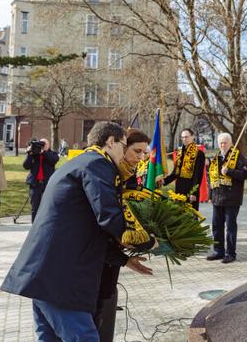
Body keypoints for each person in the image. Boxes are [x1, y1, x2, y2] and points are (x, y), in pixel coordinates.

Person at [1, 121, 152, 341]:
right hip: (62, 280)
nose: (123, 152)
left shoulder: (78, 163)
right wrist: (150, 242)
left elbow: (88, 228)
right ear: (110, 142)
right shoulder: (98, 164)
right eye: (122, 145)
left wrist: (125, 260)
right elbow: (108, 216)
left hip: (47, 277)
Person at [96, 128, 154, 342]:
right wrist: (148, 241)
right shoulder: (106, 174)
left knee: (103, 307)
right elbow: (106, 220)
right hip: (95, 260)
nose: (140, 158)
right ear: (121, 147)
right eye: (136, 151)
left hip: (111, 256)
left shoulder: (127, 174)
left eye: (143, 153)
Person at [206, 132, 247, 264]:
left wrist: (229, 171)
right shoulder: (216, 158)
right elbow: (210, 178)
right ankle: (218, 251)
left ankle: (231, 253)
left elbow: (245, 174)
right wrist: (210, 195)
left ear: (230, 143)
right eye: (221, 142)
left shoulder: (238, 156)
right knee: (216, 226)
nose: (223, 145)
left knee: (230, 227)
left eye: (225, 142)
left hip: (232, 198)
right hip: (217, 197)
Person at [164, 128, 206, 211]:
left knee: (191, 217)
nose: (184, 139)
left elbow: (198, 175)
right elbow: (175, 173)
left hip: (190, 190)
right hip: (179, 189)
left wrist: (194, 193)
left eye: (186, 137)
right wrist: (164, 181)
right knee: (179, 216)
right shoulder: (180, 153)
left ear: (192, 137)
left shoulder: (198, 153)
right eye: (182, 137)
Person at [22, 138, 59, 222]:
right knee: (34, 206)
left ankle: (46, 223)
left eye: (44, 143)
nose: (42, 145)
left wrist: (43, 152)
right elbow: (26, 166)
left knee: (48, 205)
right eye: (41, 143)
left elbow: (53, 160)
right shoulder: (34, 154)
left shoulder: (53, 154)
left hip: (47, 184)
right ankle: (34, 225)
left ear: (49, 145)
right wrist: (29, 154)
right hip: (35, 184)